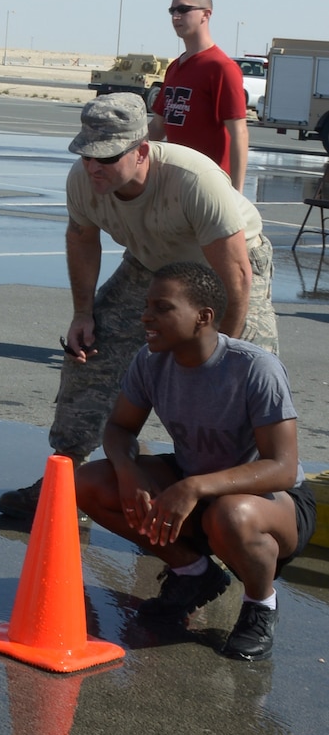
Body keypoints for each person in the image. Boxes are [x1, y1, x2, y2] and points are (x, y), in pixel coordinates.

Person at [0, 90, 278, 523]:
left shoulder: (193, 179)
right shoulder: (83, 181)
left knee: (243, 377)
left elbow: (237, 274)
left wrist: (221, 352)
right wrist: (82, 313)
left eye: (106, 158)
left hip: (226, 268)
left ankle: (235, 508)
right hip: (150, 263)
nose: (93, 167)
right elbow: (81, 239)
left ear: (142, 150)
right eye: (87, 155)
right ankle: (65, 477)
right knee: (91, 352)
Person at [75, 261, 315, 662]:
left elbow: (282, 467)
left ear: (203, 317)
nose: (146, 316)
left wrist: (194, 486)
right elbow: (118, 428)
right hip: (196, 485)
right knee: (88, 483)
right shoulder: (150, 362)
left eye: (162, 307)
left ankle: (260, 606)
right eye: (147, 305)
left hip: (272, 503)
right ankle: (193, 573)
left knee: (230, 514)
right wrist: (128, 469)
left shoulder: (254, 368)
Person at [148, 0, 248, 189]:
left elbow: (239, 133)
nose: (176, 16)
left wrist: (236, 194)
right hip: (176, 184)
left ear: (206, 14)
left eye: (183, 10)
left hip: (210, 186)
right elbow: (158, 126)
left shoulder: (221, 68)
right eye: (172, 11)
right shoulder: (175, 67)